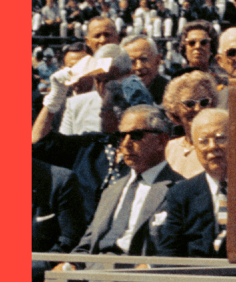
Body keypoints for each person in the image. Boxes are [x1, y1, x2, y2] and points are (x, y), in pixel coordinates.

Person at [54, 105, 183, 267]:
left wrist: (153, 267)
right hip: (95, 271)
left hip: (135, 273)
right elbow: (87, 244)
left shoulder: (179, 190)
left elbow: (181, 249)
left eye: (136, 135)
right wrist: (70, 265)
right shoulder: (112, 189)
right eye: (121, 136)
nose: (126, 144)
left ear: (162, 141)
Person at [156, 109, 232, 258]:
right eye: (203, 141)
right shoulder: (180, 194)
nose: (212, 146)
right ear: (195, 148)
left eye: (220, 138)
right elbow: (169, 251)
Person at [162, 71, 221, 179]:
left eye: (204, 102)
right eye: (189, 104)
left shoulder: (220, 147)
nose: (198, 109)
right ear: (175, 109)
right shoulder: (168, 148)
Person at [124, 35, 169, 105]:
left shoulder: (171, 92)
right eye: (132, 61)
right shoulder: (120, 94)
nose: (139, 67)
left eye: (144, 59)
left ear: (157, 61)